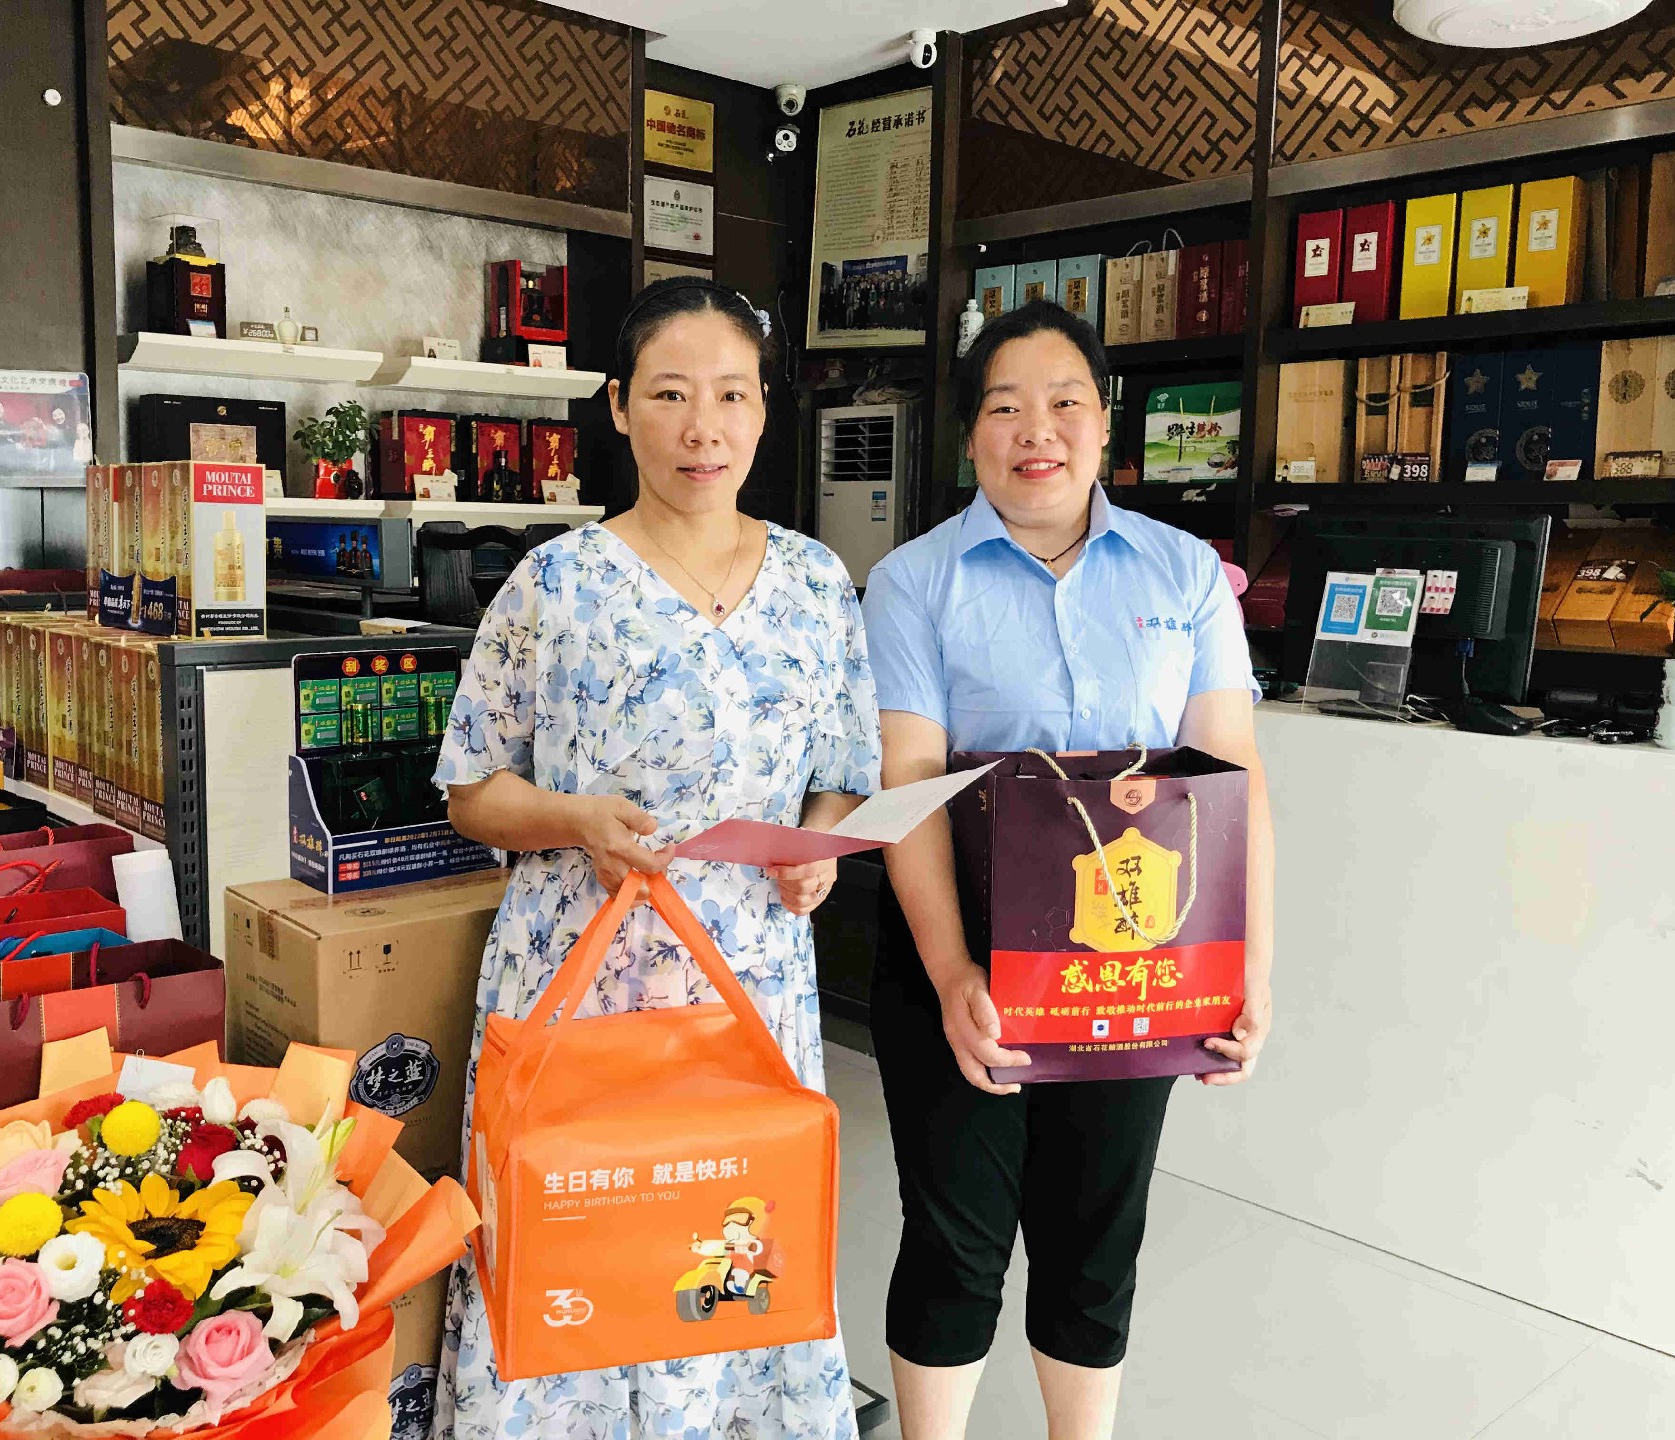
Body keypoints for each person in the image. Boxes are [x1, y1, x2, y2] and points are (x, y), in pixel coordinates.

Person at [433, 275, 879, 1439]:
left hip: (749, 978)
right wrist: (577, 818)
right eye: (672, 394)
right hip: (585, 976)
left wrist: (822, 849)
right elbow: (473, 792)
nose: (703, 427)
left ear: (765, 410)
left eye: (732, 394)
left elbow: (843, 769)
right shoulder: (555, 586)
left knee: (726, 1235)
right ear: (621, 406)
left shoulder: (816, 584)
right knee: (578, 1243)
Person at [860, 299, 1274, 1440]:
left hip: (1135, 951)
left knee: (1097, 1234)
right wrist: (952, 973)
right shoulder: (912, 582)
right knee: (955, 1238)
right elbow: (908, 782)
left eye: (1065, 403)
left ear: (1105, 422)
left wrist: (1247, 973)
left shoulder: (1185, 575)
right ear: (969, 435)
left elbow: (1233, 776)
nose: (1035, 431)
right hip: (960, 944)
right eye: (1004, 407)